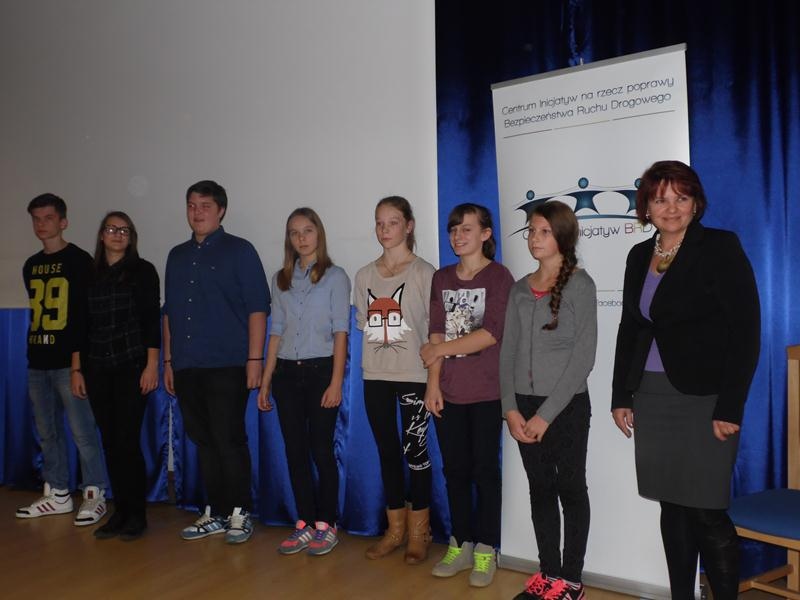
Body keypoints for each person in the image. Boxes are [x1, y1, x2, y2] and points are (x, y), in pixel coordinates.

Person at [611, 161, 760, 600]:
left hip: (706, 399)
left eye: (681, 197)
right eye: (660, 199)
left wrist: (730, 405)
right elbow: (631, 327)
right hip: (652, 396)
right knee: (672, 504)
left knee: (706, 510)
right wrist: (622, 394)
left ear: (696, 203)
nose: (671, 208)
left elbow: (746, 331)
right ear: (646, 207)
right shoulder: (639, 255)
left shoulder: (719, 247)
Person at [500, 201, 597, 600]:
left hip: (566, 407)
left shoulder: (580, 285)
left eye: (543, 232)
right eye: (531, 231)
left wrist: (546, 415)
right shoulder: (520, 289)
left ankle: (571, 580)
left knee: (570, 489)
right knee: (540, 488)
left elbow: (583, 358)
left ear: (563, 237)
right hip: (523, 405)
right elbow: (507, 351)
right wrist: (510, 408)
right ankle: (549, 574)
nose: (534, 239)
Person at [163, 180, 270, 544]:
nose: (197, 212)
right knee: (204, 441)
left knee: (229, 439)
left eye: (205, 206)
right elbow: (169, 313)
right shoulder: (176, 256)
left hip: (228, 363)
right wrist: (168, 361)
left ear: (221, 210)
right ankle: (217, 511)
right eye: (192, 205)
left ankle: (240, 512)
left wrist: (254, 359)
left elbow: (258, 308)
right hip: (187, 364)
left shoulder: (240, 250)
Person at [422, 203, 514, 588]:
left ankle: (486, 549)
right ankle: (460, 543)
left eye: (467, 229)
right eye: (454, 229)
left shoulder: (499, 276)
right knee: (455, 471)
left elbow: (491, 333)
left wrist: (437, 350)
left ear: (486, 234)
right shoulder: (442, 278)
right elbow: (436, 331)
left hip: (487, 392)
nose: (458, 236)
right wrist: (433, 383)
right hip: (449, 392)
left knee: (485, 472)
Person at [257, 207, 350, 556]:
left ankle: (327, 524)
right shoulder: (280, 279)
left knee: (321, 450)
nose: (301, 238)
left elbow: (341, 332)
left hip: (320, 371)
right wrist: (266, 381)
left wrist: (336, 381)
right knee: (294, 451)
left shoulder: (335, 277)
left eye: (307, 230)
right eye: (294, 232)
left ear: (318, 234)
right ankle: (305, 523)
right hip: (286, 374)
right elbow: (276, 332)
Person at [354, 196, 436, 564]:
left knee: (415, 453)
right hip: (375, 376)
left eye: (393, 222)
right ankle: (395, 530)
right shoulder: (364, 276)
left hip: (414, 376)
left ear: (409, 226)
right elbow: (365, 325)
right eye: (380, 223)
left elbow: (434, 331)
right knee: (387, 452)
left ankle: (420, 532)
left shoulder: (424, 273)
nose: (385, 229)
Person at [17, 193, 107, 526]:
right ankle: (57, 493)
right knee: (47, 432)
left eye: (49, 218)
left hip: (69, 363)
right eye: (36, 219)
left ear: (63, 221)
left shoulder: (79, 261)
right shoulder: (30, 264)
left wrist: (78, 364)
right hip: (37, 359)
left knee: (83, 432)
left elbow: (84, 318)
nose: (42, 224)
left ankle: (94, 492)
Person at [71, 212, 160, 540]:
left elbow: (151, 320)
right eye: (111, 229)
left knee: (127, 442)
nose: (117, 234)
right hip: (96, 368)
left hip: (131, 366)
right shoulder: (88, 274)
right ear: (101, 235)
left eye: (124, 230)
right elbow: (79, 325)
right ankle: (119, 512)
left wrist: (152, 365)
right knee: (109, 443)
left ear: (131, 237)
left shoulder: (143, 271)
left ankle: (136, 514)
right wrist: (77, 369)